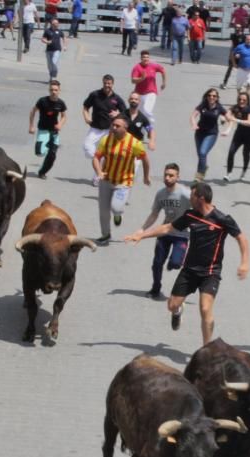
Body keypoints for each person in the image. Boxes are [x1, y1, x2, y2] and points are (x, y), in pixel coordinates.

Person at [124, 182, 250, 344]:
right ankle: (177, 312)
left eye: (192, 196)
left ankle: (206, 349)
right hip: (189, 271)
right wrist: (141, 235)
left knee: (205, 309)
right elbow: (167, 228)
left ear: (201, 199)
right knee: (171, 305)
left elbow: (241, 238)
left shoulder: (222, 219)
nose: (189, 199)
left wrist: (245, 262)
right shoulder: (190, 215)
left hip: (210, 272)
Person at [93, 115, 150, 244]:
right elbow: (96, 157)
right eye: (113, 125)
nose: (114, 128)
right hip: (106, 179)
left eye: (117, 126)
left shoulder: (134, 143)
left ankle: (118, 215)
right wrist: (99, 172)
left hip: (124, 182)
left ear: (125, 128)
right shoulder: (105, 140)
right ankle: (106, 235)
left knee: (116, 207)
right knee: (103, 210)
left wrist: (146, 176)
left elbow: (145, 160)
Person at [139, 162, 190, 299]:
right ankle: (156, 288)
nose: (167, 178)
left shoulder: (186, 194)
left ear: (178, 177)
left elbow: (199, 209)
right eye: (166, 175)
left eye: (171, 175)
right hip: (165, 231)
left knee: (175, 263)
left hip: (182, 234)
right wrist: (142, 229)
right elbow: (154, 214)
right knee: (157, 263)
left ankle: (174, 261)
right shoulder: (161, 194)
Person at [81, 75, 126, 169]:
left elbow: (125, 113)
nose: (107, 85)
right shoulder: (95, 94)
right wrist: (86, 118)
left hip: (108, 131)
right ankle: (99, 160)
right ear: (103, 83)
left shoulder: (117, 98)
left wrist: (117, 113)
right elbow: (86, 107)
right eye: (105, 83)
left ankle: (97, 176)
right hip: (95, 128)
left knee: (105, 152)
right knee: (87, 147)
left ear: (112, 84)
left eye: (109, 83)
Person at [189, 87, 232, 181]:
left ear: (217, 98)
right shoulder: (203, 105)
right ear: (207, 96)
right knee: (201, 155)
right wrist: (194, 124)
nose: (211, 97)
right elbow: (193, 116)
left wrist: (227, 130)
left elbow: (230, 120)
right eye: (209, 95)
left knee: (202, 152)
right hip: (199, 133)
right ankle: (204, 167)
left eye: (214, 96)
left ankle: (199, 177)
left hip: (211, 134)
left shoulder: (219, 107)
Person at [29, 79, 67, 179]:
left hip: (54, 132)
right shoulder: (42, 101)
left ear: (59, 90)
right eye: (51, 90)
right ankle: (46, 147)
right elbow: (33, 112)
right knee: (39, 152)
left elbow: (64, 116)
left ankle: (42, 172)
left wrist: (60, 125)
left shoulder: (61, 103)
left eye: (55, 90)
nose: (53, 92)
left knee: (52, 155)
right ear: (49, 90)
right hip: (43, 130)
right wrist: (31, 126)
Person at [224, 91, 250, 182]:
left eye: (244, 100)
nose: (241, 101)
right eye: (240, 99)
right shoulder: (235, 107)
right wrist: (225, 118)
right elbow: (227, 114)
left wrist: (235, 120)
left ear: (248, 101)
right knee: (231, 152)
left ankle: (244, 171)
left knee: (245, 154)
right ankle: (228, 173)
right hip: (239, 134)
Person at [131, 50, 166, 125]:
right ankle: (141, 129)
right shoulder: (137, 67)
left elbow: (163, 70)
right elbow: (133, 80)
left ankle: (151, 124)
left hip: (151, 92)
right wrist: (141, 78)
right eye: (144, 57)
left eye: (147, 57)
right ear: (141, 58)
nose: (146, 59)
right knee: (139, 112)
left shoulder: (153, 65)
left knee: (147, 110)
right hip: (139, 94)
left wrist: (164, 82)